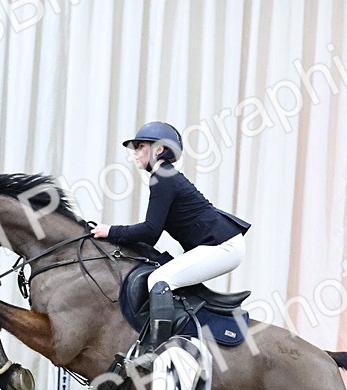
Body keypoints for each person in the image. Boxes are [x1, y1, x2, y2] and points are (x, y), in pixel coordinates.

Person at [93, 121, 250, 362]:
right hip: (221, 244)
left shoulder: (163, 177)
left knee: (159, 279)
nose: (135, 152)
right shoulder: (164, 177)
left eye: (140, 146)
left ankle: (154, 351)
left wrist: (110, 231)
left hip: (223, 246)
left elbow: (150, 231)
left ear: (158, 150)